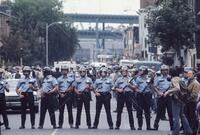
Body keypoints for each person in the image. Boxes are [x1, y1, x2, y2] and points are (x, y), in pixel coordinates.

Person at [163, 68, 192, 135]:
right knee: (182, 116)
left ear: (171, 73)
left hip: (176, 100)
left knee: (176, 117)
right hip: (182, 100)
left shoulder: (174, 79)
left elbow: (177, 88)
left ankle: (175, 132)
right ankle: (188, 131)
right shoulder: (179, 78)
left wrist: (168, 91)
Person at [114, 66, 137, 130]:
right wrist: (119, 90)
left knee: (130, 111)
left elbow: (135, 87)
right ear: (121, 72)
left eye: (126, 71)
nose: (124, 72)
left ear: (127, 72)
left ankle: (132, 125)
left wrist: (130, 85)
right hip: (121, 94)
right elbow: (114, 87)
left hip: (128, 94)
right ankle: (117, 125)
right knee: (119, 111)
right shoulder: (119, 79)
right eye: (123, 71)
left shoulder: (131, 79)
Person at [153, 65, 173, 131]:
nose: (164, 71)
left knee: (170, 112)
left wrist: (170, 92)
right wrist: (158, 92)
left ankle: (172, 126)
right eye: (163, 70)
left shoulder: (170, 78)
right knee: (159, 112)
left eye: (166, 70)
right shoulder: (158, 78)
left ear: (168, 71)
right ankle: (155, 125)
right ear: (161, 71)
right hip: (161, 96)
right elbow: (154, 87)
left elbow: (173, 87)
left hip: (168, 96)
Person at [135, 66, 155, 130]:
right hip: (140, 95)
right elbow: (135, 87)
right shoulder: (137, 79)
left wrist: (152, 83)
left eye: (141, 71)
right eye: (140, 70)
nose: (140, 72)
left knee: (147, 111)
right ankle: (140, 126)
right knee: (139, 111)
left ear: (144, 72)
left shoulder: (149, 79)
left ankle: (148, 126)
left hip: (147, 95)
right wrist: (138, 91)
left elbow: (152, 87)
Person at [184, 68, 200, 135]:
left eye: (190, 74)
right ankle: (189, 130)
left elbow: (194, 94)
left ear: (193, 75)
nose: (189, 75)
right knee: (188, 117)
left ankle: (193, 131)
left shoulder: (195, 83)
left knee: (192, 117)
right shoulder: (189, 81)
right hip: (188, 102)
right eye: (188, 74)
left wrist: (188, 99)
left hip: (192, 102)